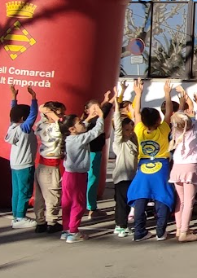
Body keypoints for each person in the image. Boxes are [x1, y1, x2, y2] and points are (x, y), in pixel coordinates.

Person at [127, 79, 175, 242]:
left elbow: (136, 112)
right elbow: (169, 112)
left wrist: (138, 94)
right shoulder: (163, 129)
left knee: (141, 196)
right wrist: (167, 94)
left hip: (143, 166)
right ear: (157, 120)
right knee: (161, 196)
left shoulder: (139, 128)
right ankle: (160, 231)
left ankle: (139, 231)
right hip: (161, 165)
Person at [59, 102, 105, 243]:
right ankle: (74, 231)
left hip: (68, 175)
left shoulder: (69, 137)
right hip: (77, 176)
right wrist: (101, 116)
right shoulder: (79, 139)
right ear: (72, 129)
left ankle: (66, 229)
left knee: (67, 203)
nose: (82, 123)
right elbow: (96, 131)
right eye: (79, 122)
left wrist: (88, 118)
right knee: (78, 204)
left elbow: (82, 128)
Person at [169, 85, 197, 243]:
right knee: (189, 201)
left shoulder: (176, 130)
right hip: (190, 167)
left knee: (181, 200)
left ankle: (179, 228)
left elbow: (179, 115)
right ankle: (184, 232)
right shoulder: (196, 128)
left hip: (177, 167)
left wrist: (183, 97)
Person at [5, 84, 39, 229]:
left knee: (17, 192)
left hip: (15, 164)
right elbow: (33, 115)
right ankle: (20, 218)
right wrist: (34, 98)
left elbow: (14, 110)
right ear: (24, 118)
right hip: (25, 165)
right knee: (25, 192)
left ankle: (16, 216)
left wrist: (14, 98)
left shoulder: (12, 126)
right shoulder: (24, 129)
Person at [108, 87, 137, 238]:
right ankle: (121, 226)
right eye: (127, 130)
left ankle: (121, 224)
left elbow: (136, 123)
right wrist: (117, 102)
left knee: (127, 202)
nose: (129, 132)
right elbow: (118, 126)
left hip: (131, 177)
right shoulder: (119, 142)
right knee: (121, 203)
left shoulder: (132, 140)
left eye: (131, 129)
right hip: (122, 177)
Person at [34, 99, 65, 234]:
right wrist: (52, 113)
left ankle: (40, 222)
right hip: (51, 166)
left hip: (41, 165)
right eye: (60, 113)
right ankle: (52, 222)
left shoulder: (42, 124)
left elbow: (42, 108)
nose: (62, 115)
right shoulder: (56, 127)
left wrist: (47, 111)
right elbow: (60, 123)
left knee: (40, 196)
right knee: (53, 195)